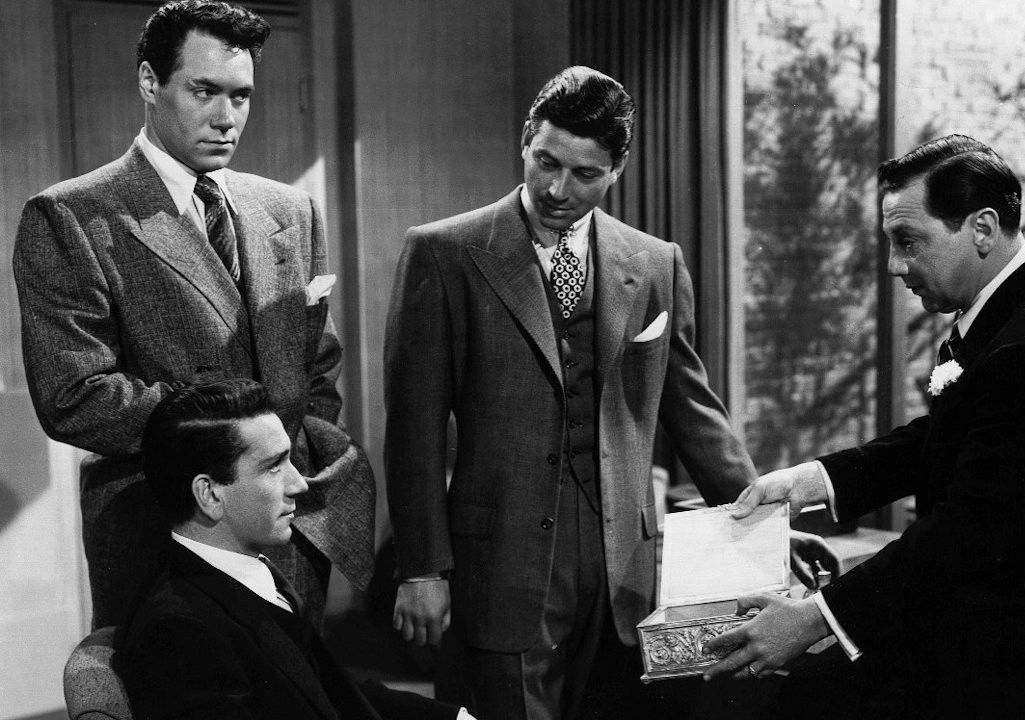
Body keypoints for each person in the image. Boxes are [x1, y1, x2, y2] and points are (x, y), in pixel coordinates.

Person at [384, 65, 834, 719]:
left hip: (625, 570)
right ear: (526, 141)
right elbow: (414, 428)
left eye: (584, 174)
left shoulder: (655, 262)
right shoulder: (444, 253)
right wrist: (421, 567)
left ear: (617, 170)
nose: (556, 189)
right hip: (499, 566)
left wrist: (767, 530)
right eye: (546, 162)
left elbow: (694, 413)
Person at [704, 135, 1025, 719]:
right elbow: (953, 436)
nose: (894, 265)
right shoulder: (1021, 301)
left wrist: (813, 618)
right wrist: (812, 481)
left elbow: (968, 532)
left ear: (982, 229)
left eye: (908, 241)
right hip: (997, 631)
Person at [13, 0, 373, 629]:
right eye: (203, 91)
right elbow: (74, 395)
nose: (226, 118)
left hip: (288, 536)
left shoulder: (290, 210)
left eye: (241, 96)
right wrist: (228, 441)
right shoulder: (72, 216)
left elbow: (318, 366)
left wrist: (288, 471)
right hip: (164, 537)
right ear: (150, 82)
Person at [116, 379, 470, 720]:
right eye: (273, 467)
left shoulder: (248, 576)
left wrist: (454, 716)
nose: (299, 483)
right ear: (209, 494)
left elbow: (330, 691)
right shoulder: (179, 630)